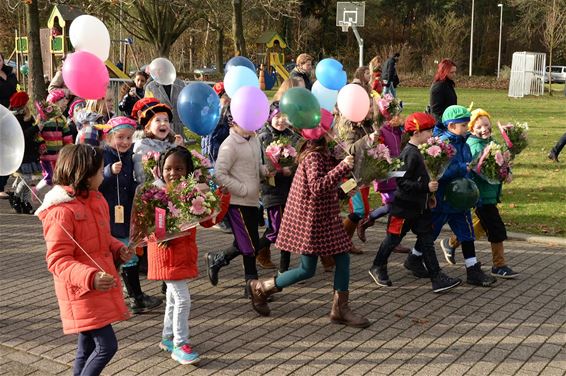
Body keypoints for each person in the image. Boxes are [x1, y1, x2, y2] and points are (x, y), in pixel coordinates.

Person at [247, 126, 370, 328]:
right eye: (331, 130)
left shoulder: (323, 154)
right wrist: (342, 167)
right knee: (315, 266)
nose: (335, 133)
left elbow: (330, 186)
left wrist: (348, 187)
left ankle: (338, 308)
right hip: (314, 221)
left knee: (326, 263)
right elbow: (317, 187)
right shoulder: (313, 157)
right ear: (321, 135)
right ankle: (262, 288)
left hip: (324, 218)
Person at [36, 144, 134, 376]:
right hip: (82, 290)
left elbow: (102, 238)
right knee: (106, 346)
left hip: (98, 284)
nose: (103, 175)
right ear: (84, 175)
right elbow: (57, 260)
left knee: (86, 346)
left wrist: (119, 249)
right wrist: (89, 277)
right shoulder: (61, 211)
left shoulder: (96, 199)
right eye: (100, 172)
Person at [147, 146, 228, 365]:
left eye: (179, 168)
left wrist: (219, 191)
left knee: (173, 299)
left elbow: (209, 220)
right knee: (182, 298)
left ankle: (167, 337)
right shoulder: (157, 195)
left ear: (189, 172)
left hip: (182, 254)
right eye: (168, 168)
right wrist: (164, 233)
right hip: (167, 256)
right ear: (160, 170)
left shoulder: (192, 193)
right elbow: (153, 230)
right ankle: (180, 344)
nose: (173, 173)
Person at [368, 112, 462, 292]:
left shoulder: (423, 151)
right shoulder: (409, 154)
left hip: (421, 208)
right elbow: (401, 182)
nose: (431, 135)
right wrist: (425, 187)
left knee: (427, 240)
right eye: (428, 131)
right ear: (417, 132)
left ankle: (437, 277)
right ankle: (377, 266)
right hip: (403, 208)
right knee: (392, 239)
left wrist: (429, 195)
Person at [440, 109, 519, 279]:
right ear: (471, 128)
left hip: (491, 193)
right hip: (480, 195)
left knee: (483, 225)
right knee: (496, 228)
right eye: (480, 126)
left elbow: (501, 162)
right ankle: (499, 265)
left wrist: (506, 170)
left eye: (487, 125)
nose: (484, 129)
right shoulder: (473, 145)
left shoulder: (492, 142)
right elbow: (472, 168)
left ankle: (451, 243)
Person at [99, 116, 162, 313]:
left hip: (126, 213)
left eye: (128, 138)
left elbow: (128, 185)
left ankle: (134, 296)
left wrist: (142, 189)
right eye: (120, 137)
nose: (125, 142)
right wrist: (109, 171)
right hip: (109, 214)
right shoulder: (103, 156)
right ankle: (134, 297)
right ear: (108, 138)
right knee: (123, 255)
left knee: (127, 255)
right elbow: (97, 181)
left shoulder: (127, 157)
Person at [427, 105, 496, 286]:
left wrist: (473, 195)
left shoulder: (463, 143)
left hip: (460, 200)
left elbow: (466, 170)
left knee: (467, 234)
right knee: (431, 233)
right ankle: (415, 257)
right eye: (464, 125)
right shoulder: (443, 144)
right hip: (444, 199)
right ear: (451, 126)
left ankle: (472, 270)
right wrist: (461, 168)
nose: (467, 128)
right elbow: (440, 171)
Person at [205, 118, 270, 296]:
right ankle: (251, 285)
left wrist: (262, 171)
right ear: (235, 122)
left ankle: (217, 259)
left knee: (245, 241)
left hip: (252, 200)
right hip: (237, 202)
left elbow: (254, 164)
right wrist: (242, 189)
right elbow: (219, 174)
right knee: (250, 243)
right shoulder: (230, 144)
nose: (252, 126)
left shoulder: (254, 139)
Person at [257, 102, 300, 271]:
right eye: (277, 116)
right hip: (271, 188)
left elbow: (299, 159)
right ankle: (251, 250)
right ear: (269, 117)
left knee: (285, 227)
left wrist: (292, 168)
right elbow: (264, 163)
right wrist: (280, 170)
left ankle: (283, 267)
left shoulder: (293, 135)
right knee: (277, 229)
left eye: (284, 117)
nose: (281, 120)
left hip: (289, 188)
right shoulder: (263, 137)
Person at [200, 82, 232, 233]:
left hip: (221, 155)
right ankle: (220, 219)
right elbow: (209, 138)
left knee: (222, 187)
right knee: (215, 187)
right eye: (223, 97)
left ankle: (225, 216)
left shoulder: (227, 115)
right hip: (212, 157)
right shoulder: (212, 115)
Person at [132, 101, 184, 183]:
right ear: (148, 128)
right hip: (153, 191)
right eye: (158, 120)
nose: (163, 123)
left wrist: (181, 149)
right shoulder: (142, 146)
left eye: (166, 120)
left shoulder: (171, 144)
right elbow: (142, 177)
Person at [7, 91, 41, 214]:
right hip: (23, 153)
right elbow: (22, 135)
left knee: (29, 180)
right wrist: (37, 127)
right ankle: (16, 197)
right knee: (26, 179)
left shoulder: (28, 116)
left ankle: (24, 200)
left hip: (30, 151)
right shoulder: (16, 118)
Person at [35, 89, 72, 196]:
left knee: (58, 178)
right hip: (46, 154)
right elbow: (37, 133)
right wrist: (41, 144)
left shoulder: (62, 119)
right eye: (63, 100)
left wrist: (68, 148)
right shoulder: (43, 118)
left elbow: (67, 136)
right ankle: (36, 191)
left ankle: (53, 199)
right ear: (54, 102)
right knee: (49, 178)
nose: (66, 102)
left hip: (58, 155)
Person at [0, 52, 18, 199]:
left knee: (10, 148)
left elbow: (15, 91)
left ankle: (4, 182)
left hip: (12, 114)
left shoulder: (11, 74)